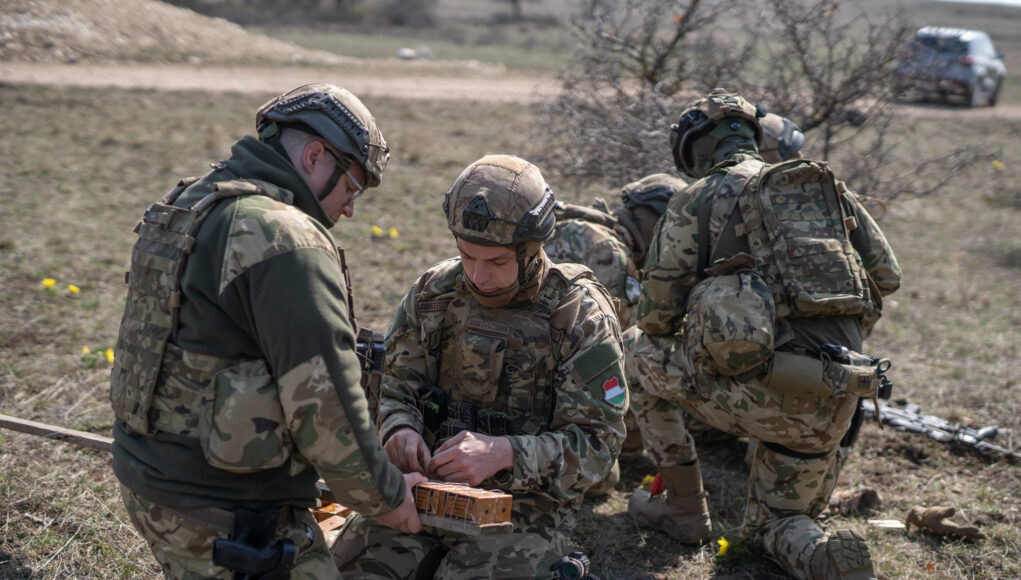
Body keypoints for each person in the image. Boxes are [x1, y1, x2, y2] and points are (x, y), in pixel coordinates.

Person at [109, 83, 424, 579]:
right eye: (352, 188)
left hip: (148, 481)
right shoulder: (283, 237)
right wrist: (384, 496)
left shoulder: (192, 200)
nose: (349, 209)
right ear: (316, 156)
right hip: (228, 518)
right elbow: (326, 401)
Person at [631, 88, 901, 579]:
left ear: (696, 148)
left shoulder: (695, 198)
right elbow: (886, 276)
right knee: (775, 523)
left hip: (751, 393)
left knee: (636, 352)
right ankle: (820, 557)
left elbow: (655, 319)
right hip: (836, 392)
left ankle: (682, 505)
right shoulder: (824, 186)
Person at [332, 154, 627, 579]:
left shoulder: (577, 316)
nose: (478, 276)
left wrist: (504, 453)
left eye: (497, 262)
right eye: (467, 257)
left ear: (532, 250)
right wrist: (399, 429)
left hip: (524, 505)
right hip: (424, 491)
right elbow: (397, 385)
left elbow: (599, 445)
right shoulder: (434, 293)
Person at [544, 173, 686, 494]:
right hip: (549, 387)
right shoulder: (610, 256)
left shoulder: (575, 227)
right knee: (601, 478)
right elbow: (614, 355)